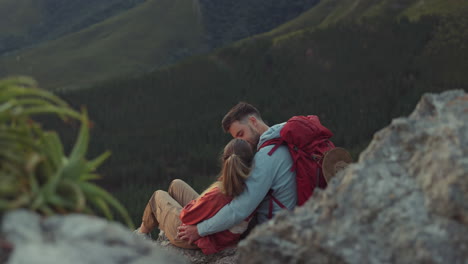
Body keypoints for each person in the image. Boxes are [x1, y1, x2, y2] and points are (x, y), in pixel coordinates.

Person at [178, 102, 297, 244]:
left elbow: (240, 209)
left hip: (270, 233)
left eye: (241, 134)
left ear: (253, 121)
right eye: (236, 138)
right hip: (288, 222)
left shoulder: (266, 157)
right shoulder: (282, 139)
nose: (241, 142)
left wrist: (199, 230)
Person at [134, 138, 254, 254]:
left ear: (224, 161)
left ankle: (142, 234)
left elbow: (187, 216)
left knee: (158, 196)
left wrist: (202, 199)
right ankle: (165, 227)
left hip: (193, 237)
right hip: (215, 231)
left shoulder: (219, 193)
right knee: (176, 185)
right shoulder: (251, 187)